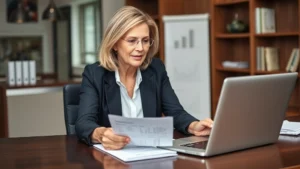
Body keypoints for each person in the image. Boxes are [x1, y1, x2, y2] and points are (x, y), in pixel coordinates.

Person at [75, 6, 213, 150]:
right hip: (112, 158)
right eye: (132, 40)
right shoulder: (95, 74)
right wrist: (102, 134)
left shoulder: (156, 69)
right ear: (115, 44)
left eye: (145, 40)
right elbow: (83, 123)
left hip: (149, 156)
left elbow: (176, 112)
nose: (140, 48)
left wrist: (194, 126)